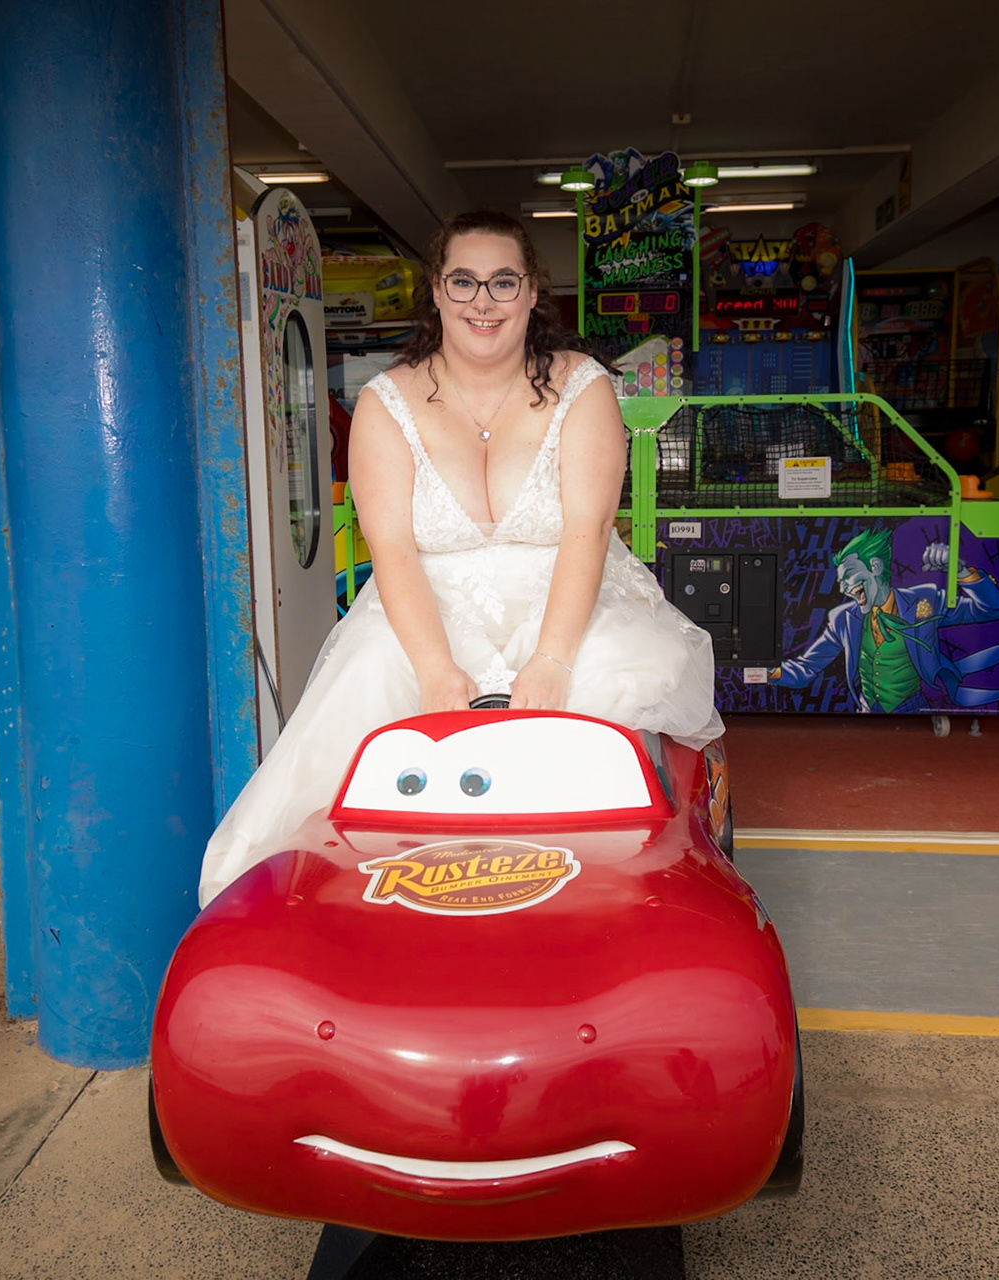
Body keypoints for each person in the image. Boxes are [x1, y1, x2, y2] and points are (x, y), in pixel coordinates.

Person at [199, 211, 722, 906]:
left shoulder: (582, 386)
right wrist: (437, 668)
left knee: (609, 696)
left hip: (564, 597)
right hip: (428, 608)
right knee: (370, 697)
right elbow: (393, 552)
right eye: (464, 282)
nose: (484, 301)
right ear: (438, 294)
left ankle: (591, 901)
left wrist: (554, 660)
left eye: (504, 282)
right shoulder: (389, 403)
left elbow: (586, 531)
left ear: (534, 292)